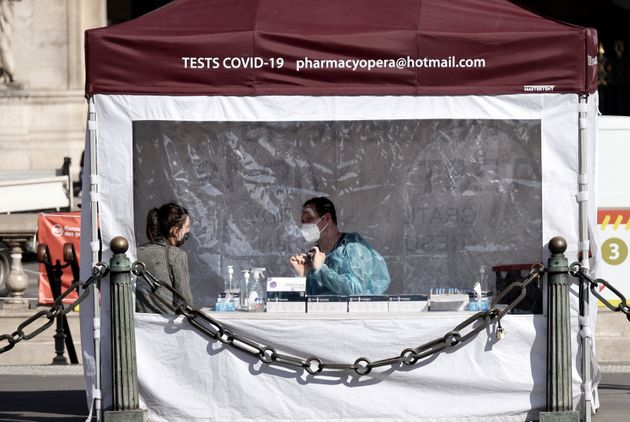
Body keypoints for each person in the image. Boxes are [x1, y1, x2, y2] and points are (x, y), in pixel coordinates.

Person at [289, 197, 390, 296]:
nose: (304, 225)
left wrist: (321, 270)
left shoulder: (352, 247)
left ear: (326, 218)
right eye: (303, 221)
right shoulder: (313, 255)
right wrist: (303, 275)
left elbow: (356, 291)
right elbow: (311, 298)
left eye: (309, 219)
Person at [135, 202, 193, 313]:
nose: (188, 231)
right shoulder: (177, 255)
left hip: (139, 324)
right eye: (186, 227)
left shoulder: (136, 253)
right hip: (166, 326)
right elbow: (185, 302)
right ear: (175, 230)